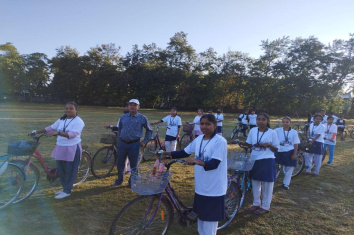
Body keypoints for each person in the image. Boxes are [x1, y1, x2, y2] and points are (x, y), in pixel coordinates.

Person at [163, 114, 227, 235]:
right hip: (201, 186)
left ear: (215, 125)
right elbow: (184, 152)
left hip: (214, 187)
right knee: (201, 219)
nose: (204, 126)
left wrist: (197, 162)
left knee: (210, 223)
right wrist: (165, 153)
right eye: (202, 124)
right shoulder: (199, 139)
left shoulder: (220, 141)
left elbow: (214, 163)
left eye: (208, 124)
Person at [31, 102, 85, 199]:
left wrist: (58, 132)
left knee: (70, 170)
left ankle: (67, 191)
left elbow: (72, 134)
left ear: (76, 110)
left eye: (71, 108)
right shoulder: (62, 119)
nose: (68, 110)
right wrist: (36, 131)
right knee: (61, 170)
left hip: (72, 147)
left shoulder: (79, 121)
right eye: (66, 108)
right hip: (61, 146)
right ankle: (65, 188)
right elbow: (51, 128)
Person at [240, 113, 279, 215]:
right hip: (254, 159)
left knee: (267, 185)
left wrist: (269, 145)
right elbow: (249, 143)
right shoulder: (253, 130)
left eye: (263, 119)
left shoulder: (272, 132)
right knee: (255, 183)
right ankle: (256, 203)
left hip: (267, 160)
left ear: (267, 121)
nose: (260, 121)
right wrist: (241, 142)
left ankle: (265, 206)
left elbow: (276, 148)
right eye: (259, 119)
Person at [111, 99, 153, 187]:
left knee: (134, 165)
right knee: (120, 163)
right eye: (130, 105)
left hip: (134, 144)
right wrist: (119, 139)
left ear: (138, 107)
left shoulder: (142, 118)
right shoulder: (123, 117)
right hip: (122, 143)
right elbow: (120, 129)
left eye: (135, 105)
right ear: (128, 106)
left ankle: (132, 182)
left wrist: (144, 141)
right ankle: (119, 180)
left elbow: (149, 130)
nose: (132, 107)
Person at [274, 116, 300, 190]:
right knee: (274, 166)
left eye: (287, 122)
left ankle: (286, 183)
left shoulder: (294, 132)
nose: (285, 123)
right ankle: (272, 179)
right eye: (283, 122)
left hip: (289, 151)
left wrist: (294, 154)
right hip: (278, 151)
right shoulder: (277, 130)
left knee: (289, 167)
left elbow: (296, 143)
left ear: (290, 123)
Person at [105, 106, 131, 174]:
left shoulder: (131, 117)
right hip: (121, 136)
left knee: (128, 153)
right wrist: (111, 126)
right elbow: (118, 127)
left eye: (127, 108)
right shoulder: (122, 117)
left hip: (129, 137)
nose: (125, 109)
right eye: (125, 108)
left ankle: (128, 169)